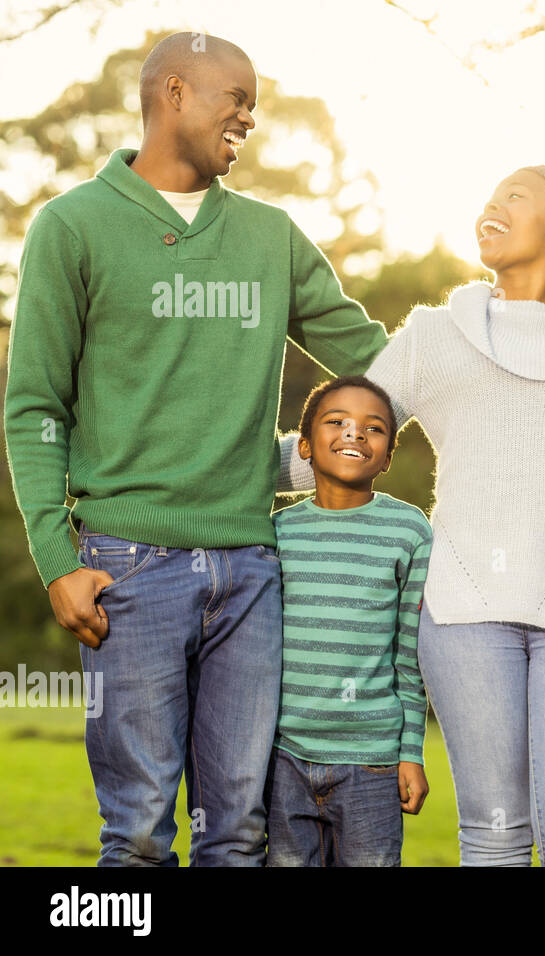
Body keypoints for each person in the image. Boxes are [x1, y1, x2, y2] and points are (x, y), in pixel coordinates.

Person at [3, 33, 390, 865]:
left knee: (241, 831)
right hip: (125, 569)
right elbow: (34, 406)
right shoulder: (72, 228)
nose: (249, 117)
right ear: (173, 92)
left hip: (252, 567)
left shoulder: (271, 237)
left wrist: (512, 341)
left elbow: (373, 362)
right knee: (139, 833)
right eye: (237, 98)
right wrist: (54, 555)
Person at [278, 166, 545, 865]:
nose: (492, 207)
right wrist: (212, 477)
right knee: (496, 829)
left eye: (515, 198)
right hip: (465, 609)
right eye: (489, 197)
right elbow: (344, 437)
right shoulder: (436, 336)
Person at [265, 376, 432, 866]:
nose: (354, 433)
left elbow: (409, 656)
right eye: (336, 422)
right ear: (303, 447)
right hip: (283, 758)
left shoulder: (409, 531)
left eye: (373, 428)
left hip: (373, 764)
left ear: (387, 456)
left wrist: (412, 752)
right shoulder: (275, 532)